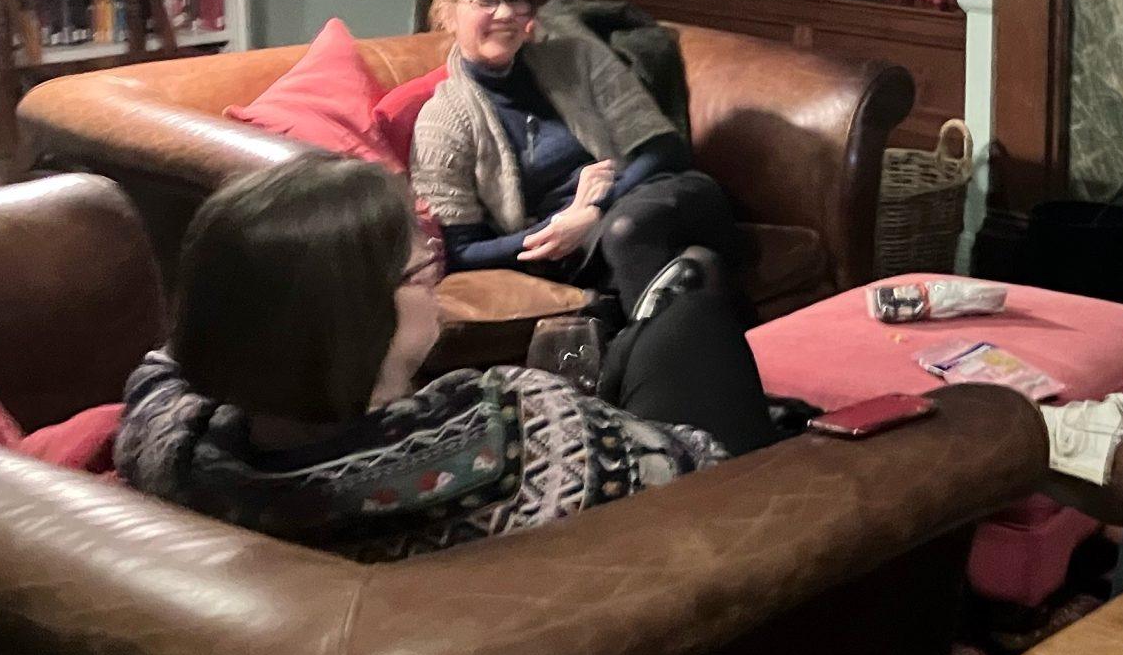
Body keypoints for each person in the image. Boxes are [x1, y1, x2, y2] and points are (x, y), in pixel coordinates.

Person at [115, 157, 777, 560]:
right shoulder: (509, 430)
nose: (435, 276)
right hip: (698, 534)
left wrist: (247, 304)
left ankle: (641, 332)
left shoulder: (181, 455)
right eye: (419, 271)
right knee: (693, 325)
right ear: (360, 320)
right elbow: (697, 464)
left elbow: (158, 374)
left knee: (638, 343)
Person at [411, 0, 739, 318]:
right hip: (585, 250)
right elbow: (462, 251)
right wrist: (561, 227)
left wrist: (595, 205)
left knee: (630, 229)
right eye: (486, 1)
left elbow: (665, 148)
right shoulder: (442, 122)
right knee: (639, 245)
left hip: (660, 195)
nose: (505, 13)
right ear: (446, 14)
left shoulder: (576, 57)